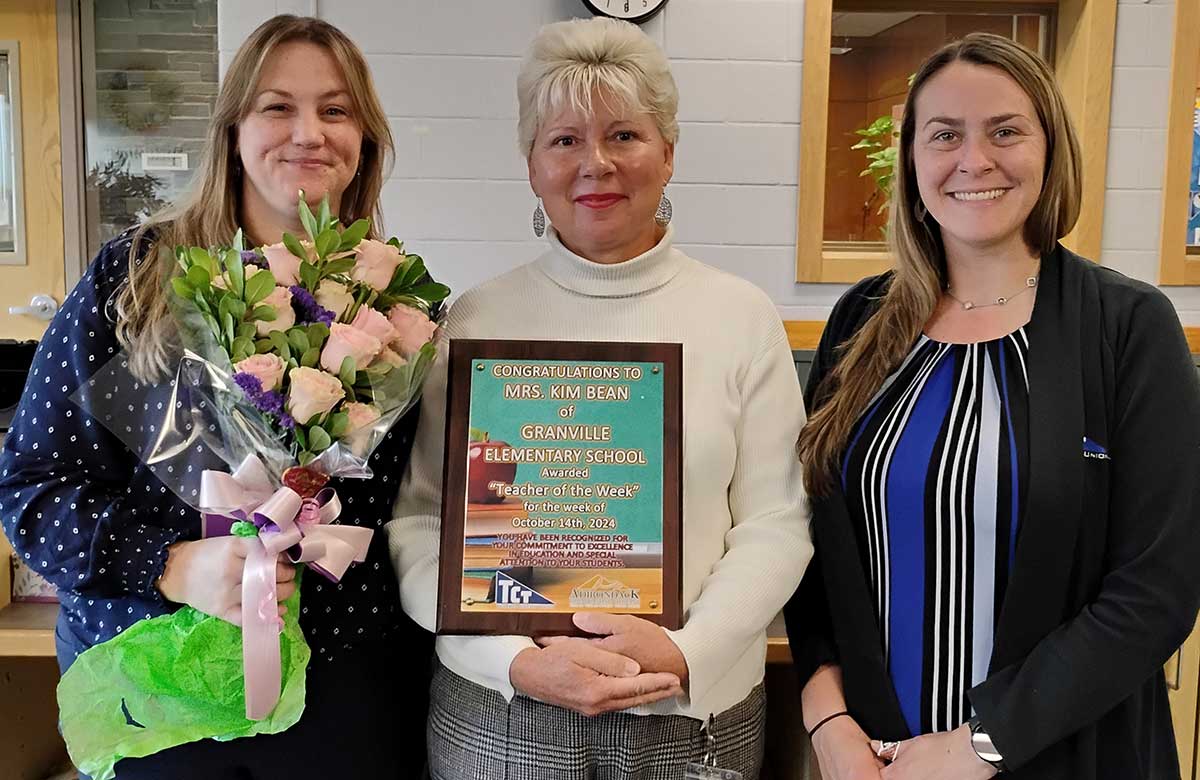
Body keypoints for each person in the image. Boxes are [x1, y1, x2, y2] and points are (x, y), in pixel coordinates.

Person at [0, 15, 431, 778]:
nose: (310, 133)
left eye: (336, 110)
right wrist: (168, 564)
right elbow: (31, 490)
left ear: (364, 137)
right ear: (231, 128)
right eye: (277, 107)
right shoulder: (131, 280)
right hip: (161, 682)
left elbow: (415, 515)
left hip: (344, 694)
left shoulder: (394, 309)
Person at [386, 17, 811, 780]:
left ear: (669, 153)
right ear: (530, 166)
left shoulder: (741, 315)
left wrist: (686, 650)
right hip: (502, 713)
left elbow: (778, 521)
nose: (596, 164)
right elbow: (421, 522)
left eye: (624, 135)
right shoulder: (474, 320)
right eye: (564, 140)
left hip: (689, 715)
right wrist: (510, 657)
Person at [785, 32, 1200, 780]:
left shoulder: (1127, 327)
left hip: (1066, 759)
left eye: (1005, 131)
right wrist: (828, 719)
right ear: (913, 161)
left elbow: (1156, 590)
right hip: (874, 762)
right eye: (945, 135)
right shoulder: (861, 321)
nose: (975, 160)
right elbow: (814, 551)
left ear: (1051, 149)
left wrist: (980, 745)